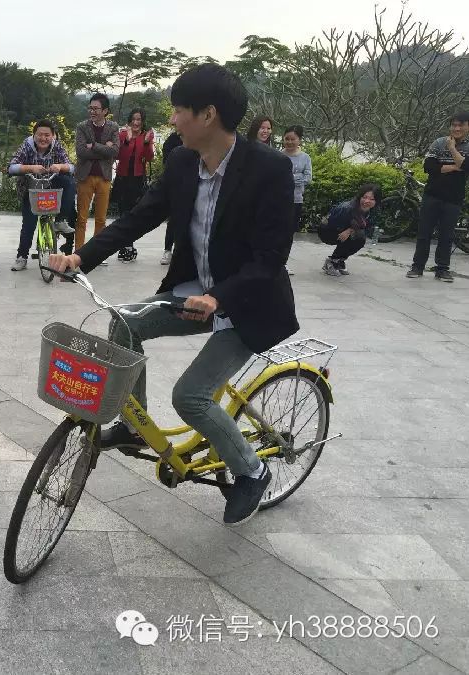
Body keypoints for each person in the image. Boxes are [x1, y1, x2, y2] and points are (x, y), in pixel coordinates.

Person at [50, 63, 298, 526]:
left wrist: (219, 297)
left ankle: (253, 470)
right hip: (193, 295)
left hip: (246, 306)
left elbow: (269, 259)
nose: (172, 120)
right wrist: (80, 257)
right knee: (123, 322)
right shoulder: (184, 161)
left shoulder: (270, 169)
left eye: (178, 110)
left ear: (208, 115)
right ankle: (132, 424)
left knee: (191, 397)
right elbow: (138, 218)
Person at [407, 111, 469, 282]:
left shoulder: (459, 146)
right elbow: (429, 167)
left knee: (447, 235)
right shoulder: (438, 142)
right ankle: (417, 266)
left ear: (467, 127)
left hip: (454, 198)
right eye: (453, 125)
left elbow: (467, 167)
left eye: (460, 125)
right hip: (432, 195)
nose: (456, 128)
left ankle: (442, 269)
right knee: (424, 232)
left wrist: (451, 149)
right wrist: (456, 166)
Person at [7, 121, 77, 271]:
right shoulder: (27, 145)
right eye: (40, 134)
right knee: (29, 224)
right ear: (34, 135)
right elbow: (11, 167)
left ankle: (60, 220)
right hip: (31, 188)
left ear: (53, 136)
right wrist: (31, 168)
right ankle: (22, 257)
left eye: (47, 135)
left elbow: (71, 166)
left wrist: (60, 167)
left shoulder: (56, 146)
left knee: (69, 182)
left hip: (50, 187)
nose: (43, 138)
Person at [74, 93, 120, 254]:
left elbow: (114, 151)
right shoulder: (82, 126)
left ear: (105, 110)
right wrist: (103, 148)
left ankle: (96, 253)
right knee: (81, 218)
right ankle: (78, 251)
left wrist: (92, 145)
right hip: (85, 177)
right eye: (90, 108)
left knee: (101, 219)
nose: (92, 111)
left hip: (104, 177)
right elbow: (80, 152)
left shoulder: (113, 127)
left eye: (96, 109)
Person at [115, 108, 155, 262]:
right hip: (122, 178)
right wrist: (126, 140)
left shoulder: (146, 136)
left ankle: (128, 246)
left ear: (143, 121)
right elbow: (118, 155)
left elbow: (149, 157)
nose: (136, 122)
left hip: (137, 179)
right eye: (133, 119)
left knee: (132, 214)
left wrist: (146, 143)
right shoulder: (124, 134)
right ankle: (125, 246)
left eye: (139, 120)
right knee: (122, 214)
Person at [319, 184, 380, 276]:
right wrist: (348, 231)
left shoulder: (372, 211)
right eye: (365, 197)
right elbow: (331, 223)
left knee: (360, 238)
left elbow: (367, 226)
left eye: (372, 199)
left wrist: (350, 230)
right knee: (355, 237)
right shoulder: (347, 208)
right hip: (329, 230)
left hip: (346, 230)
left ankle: (339, 260)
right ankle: (332, 262)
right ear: (360, 197)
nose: (367, 201)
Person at [282, 125, 312, 269]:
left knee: (289, 233)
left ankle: (284, 262)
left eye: (292, 139)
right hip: (278, 200)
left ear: (299, 140)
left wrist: (289, 178)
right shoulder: (278, 156)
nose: (289, 142)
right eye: (286, 139)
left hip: (296, 200)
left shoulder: (305, 157)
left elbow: (308, 178)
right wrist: (296, 177)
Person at [160, 131, 184, 265]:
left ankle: (181, 251)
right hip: (176, 183)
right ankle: (167, 250)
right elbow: (167, 161)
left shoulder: (200, 139)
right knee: (173, 219)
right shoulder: (173, 139)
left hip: (193, 183)